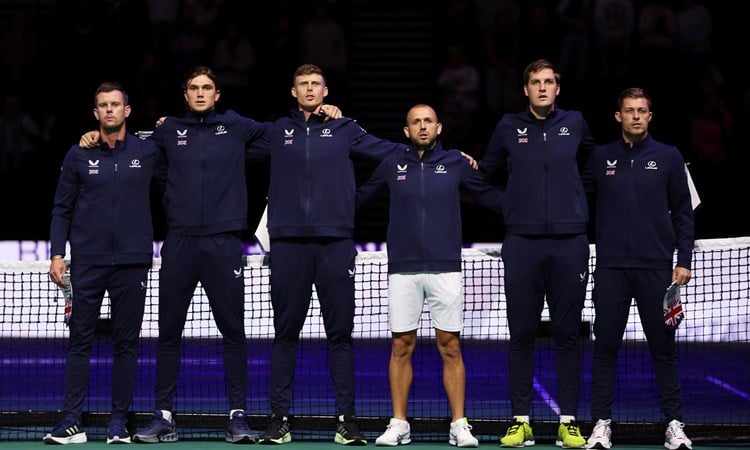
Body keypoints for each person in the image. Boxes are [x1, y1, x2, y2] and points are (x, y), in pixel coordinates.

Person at [78, 65, 344, 444]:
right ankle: (164, 416)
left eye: (207, 88)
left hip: (223, 243)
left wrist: (326, 112)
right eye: (193, 88)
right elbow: (125, 141)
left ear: (218, 95)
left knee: (233, 332)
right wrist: (94, 135)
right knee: (169, 332)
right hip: (180, 242)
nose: (200, 93)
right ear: (184, 95)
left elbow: (291, 132)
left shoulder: (237, 126)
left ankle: (237, 417)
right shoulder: (168, 131)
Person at [247, 64, 406, 446]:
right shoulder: (276, 132)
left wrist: (440, 153)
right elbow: (222, 145)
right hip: (287, 246)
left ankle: (346, 421)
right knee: (285, 335)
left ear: (326, 90)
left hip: (335, 245)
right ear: (293, 91)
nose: (309, 89)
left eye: (315, 83)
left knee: (340, 336)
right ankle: (279, 419)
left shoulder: (345, 129)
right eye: (303, 83)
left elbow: (391, 151)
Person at [356, 104, 503, 448]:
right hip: (403, 270)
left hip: (446, 268)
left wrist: (529, 208)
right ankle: (399, 424)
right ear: (406, 131)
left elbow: (490, 196)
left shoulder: (455, 163)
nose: (422, 127)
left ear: (439, 127)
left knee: (450, 346)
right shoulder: (393, 163)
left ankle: (459, 424)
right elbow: (358, 198)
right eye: (415, 122)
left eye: (428, 121)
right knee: (400, 345)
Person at [478, 59, 595, 449]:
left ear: (558, 88)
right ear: (525, 89)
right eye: (535, 82)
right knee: (521, 334)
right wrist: (508, 206)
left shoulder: (575, 123)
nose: (542, 87)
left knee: (568, 335)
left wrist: (576, 204)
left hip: (569, 243)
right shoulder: (509, 127)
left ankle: (568, 422)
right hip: (522, 244)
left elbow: (594, 169)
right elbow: (484, 175)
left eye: (548, 82)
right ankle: (521, 420)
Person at [44, 82, 160, 445]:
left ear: (127, 110)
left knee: (127, 344)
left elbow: (183, 145)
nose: (109, 110)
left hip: (133, 262)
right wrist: (57, 254)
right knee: (80, 342)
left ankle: (118, 422)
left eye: (115, 105)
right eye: (103, 106)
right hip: (87, 264)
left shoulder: (149, 150)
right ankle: (71, 422)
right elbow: (61, 207)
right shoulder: (78, 155)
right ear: (95, 113)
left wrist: (167, 123)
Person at [585, 87, 694, 450]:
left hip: (656, 271)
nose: (635, 116)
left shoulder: (669, 157)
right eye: (629, 110)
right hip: (612, 269)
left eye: (641, 110)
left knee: (664, 348)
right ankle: (601, 424)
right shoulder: (600, 158)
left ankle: (674, 424)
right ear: (618, 116)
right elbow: (571, 197)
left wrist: (683, 260)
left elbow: (683, 213)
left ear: (650, 116)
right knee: (606, 349)